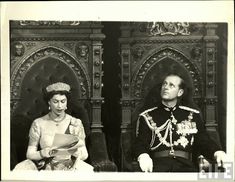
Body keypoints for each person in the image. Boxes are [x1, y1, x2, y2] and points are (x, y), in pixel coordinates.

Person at [134, 73, 226, 172]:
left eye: (171, 85)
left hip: (186, 167)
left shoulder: (192, 115)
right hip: (158, 166)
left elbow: (203, 141)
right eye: (164, 84)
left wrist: (217, 152)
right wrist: (143, 156)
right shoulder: (147, 116)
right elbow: (140, 142)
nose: (166, 87)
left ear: (180, 92)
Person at [13, 82, 93, 171]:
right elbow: (29, 154)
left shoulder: (75, 123)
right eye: (55, 101)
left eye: (63, 101)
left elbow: (85, 154)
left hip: (69, 168)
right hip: (46, 167)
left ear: (66, 103)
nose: (59, 106)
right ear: (49, 102)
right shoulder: (38, 123)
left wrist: (75, 152)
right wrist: (42, 153)